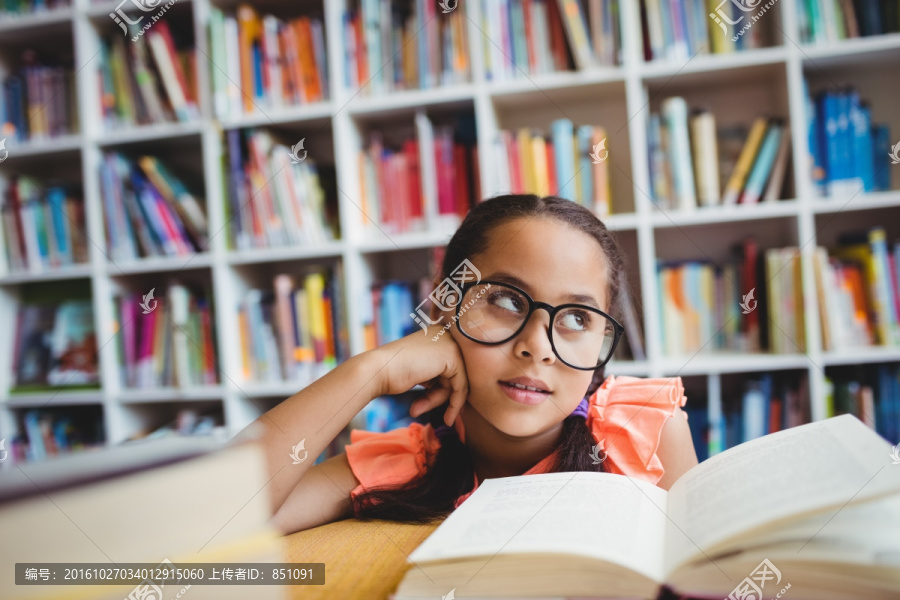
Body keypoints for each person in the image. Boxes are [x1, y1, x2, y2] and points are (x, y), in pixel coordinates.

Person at [232, 194, 699, 535]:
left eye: (577, 317)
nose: (537, 347)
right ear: (443, 309)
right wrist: (368, 372)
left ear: (602, 337)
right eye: (505, 300)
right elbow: (217, 518)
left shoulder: (646, 432)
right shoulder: (406, 462)